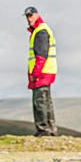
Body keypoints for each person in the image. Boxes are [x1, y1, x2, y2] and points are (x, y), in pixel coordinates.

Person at [25, 7, 57, 137]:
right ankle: (50, 129)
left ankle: (43, 130)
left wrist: (35, 74)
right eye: (27, 16)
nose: (29, 18)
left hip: (42, 73)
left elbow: (41, 56)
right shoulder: (42, 30)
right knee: (46, 102)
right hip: (47, 72)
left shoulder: (40, 32)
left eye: (31, 15)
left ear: (37, 15)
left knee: (40, 102)